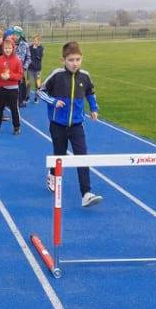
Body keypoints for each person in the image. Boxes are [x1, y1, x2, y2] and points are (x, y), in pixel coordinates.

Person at [37, 41, 102, 208]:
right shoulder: (57, 75)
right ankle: (52, 174)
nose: (75, 63)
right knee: (60, 155)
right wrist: (53, 101)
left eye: (78, 59)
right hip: (58, 124)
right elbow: (40, 92)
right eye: (71, 60)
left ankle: (86, 193)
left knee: (82, 156)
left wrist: (94, 108)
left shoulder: (85, 76)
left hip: (77, 125)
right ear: (63, 60)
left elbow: (90, 93)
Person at [0, 37, 22, 134]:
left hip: (13, 88)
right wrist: (0, 76)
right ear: (3, 49)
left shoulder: (17, 60)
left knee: (14, 108)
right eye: (6, 48)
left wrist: (10, 76)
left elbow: (20, 75)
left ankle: (16, 127)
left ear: (13, 48)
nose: (8, 50)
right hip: (0, 87)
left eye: (9, 48)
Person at [29, 35, 44, 103]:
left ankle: (36, 97)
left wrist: (35, 49)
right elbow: (29, 56)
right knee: (28, 83)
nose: (35, 42)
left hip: (37, 69)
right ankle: (27, 97)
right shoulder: (30, 47)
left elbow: (39, 57)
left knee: (37, 84)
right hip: (30, 68)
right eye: (34, 40)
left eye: (37, 41)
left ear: (39, 41)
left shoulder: (41, 48)